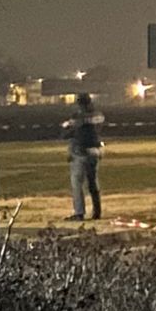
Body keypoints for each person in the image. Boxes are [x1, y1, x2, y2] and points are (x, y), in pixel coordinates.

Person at [63, 93, 104, 221]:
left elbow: (67, 134)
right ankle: (97, 211)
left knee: (77, 183)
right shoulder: (97, 115)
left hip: (80, 152)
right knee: (93, 183)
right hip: (94, 151)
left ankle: (79, 212)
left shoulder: (76, 118)